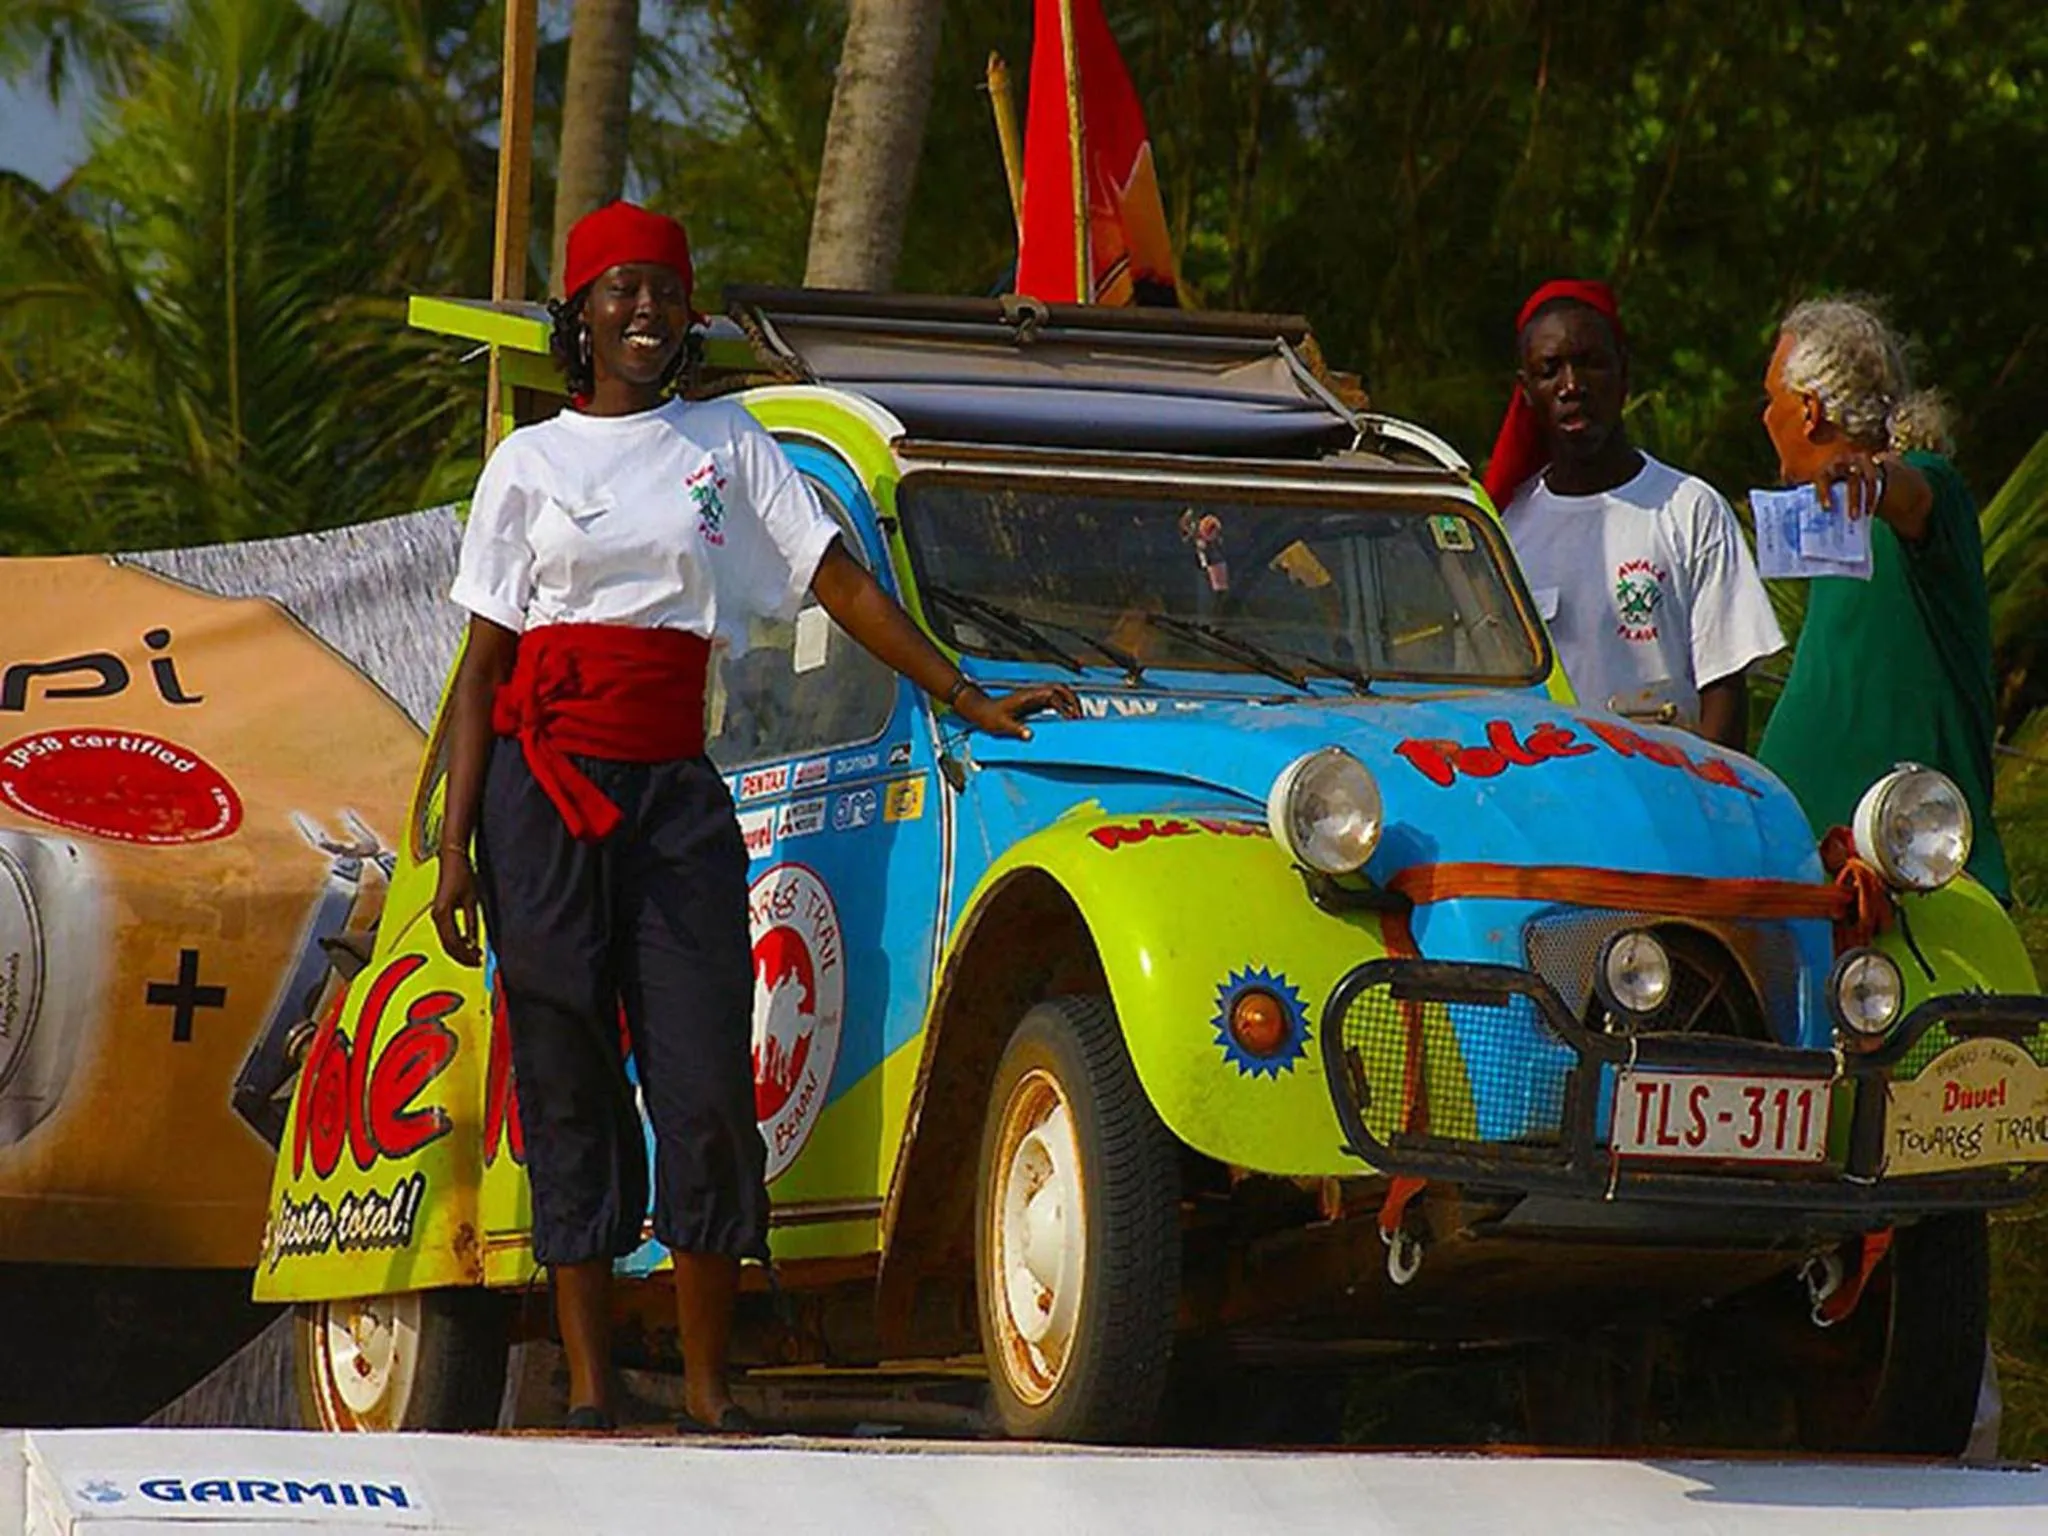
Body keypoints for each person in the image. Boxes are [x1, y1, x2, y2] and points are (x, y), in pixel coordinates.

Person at [429, 200, 1076, 1433]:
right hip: (540, 795)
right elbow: (482, 669)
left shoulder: (725, 441)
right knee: (565, 1070)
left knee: (706, 1076)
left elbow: (837, 581)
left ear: (687, 315)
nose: (645, 310)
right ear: (580, 314)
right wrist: (456, 848)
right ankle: (589, 1383)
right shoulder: (527, 462)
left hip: (673, 788)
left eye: (665, 291)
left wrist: (961, 692)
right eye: (620, 289)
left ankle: (709, 1384)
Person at [1755, 296, 2010, 902]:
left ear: (1810, 410)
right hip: (1811, 873)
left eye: (1771, 399)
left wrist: (1873, 478)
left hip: (1915, 883)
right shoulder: (1837, 519)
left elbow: (1914, 495)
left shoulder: (1924, 488)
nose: (1765, 417)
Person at [1484, 279, 1783, 751]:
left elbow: (1724, 692)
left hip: (1664, 785)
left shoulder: (1689, 510)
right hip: (1547, 788)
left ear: (1624, 373)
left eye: (1591, 363)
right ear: (1525, 391)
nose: (1572, 386)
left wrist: (1705, 789)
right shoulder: (1504, 531)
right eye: (1550, 370)